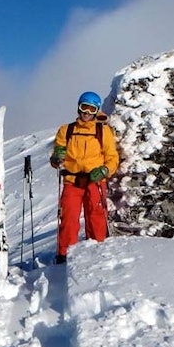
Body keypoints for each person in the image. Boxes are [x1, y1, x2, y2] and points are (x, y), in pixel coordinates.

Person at [50, 91, 120, 263]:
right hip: (72, 180)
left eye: (91, 109)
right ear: (78, 107)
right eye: (84, 108)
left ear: (96, 111)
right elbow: (58, 152)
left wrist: (104, 170)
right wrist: (56, 158)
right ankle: (64, 255)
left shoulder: (103, 131)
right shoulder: (66, 130)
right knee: (68, 217)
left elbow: (112, 157)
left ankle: (96, 249)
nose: (87, 113)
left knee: (96, 215)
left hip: (95, 180)